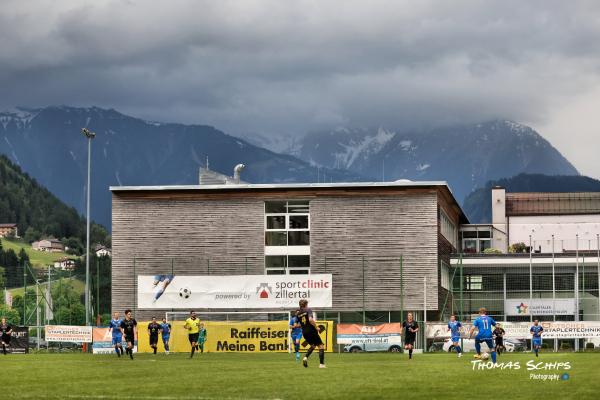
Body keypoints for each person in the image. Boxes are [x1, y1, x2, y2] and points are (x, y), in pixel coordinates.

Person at [296, 299, 325, 368]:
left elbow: (299, 324)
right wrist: (316, 327)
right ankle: (321, 364)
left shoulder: (298, 313)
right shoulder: (308, 310)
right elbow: (310, 320)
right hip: (311, 330)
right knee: (321, 346)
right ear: (306, 304)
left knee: (313, 345)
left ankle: (305, 357)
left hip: (304, 332)